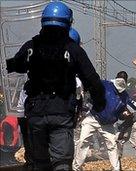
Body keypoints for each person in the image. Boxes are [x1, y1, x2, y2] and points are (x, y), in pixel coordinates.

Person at [5, 2, 105, 170]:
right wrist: (100, 102)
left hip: (35, 114)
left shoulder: (31, 47)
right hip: (61, 112)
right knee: (61, 163)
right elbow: (92, 79)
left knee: (40, 164)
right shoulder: (73, 49)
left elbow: (12, 66)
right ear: (68, 23)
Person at [73, 71, 136, 171]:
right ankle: (76, 167)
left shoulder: (125, 97)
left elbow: (128, 113)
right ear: (115, 78)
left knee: (112, 145)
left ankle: (116, 169)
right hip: (93, 118)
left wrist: (125, 115)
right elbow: (91, 86)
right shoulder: (105, 84)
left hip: (108, 124)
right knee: (83, 141)